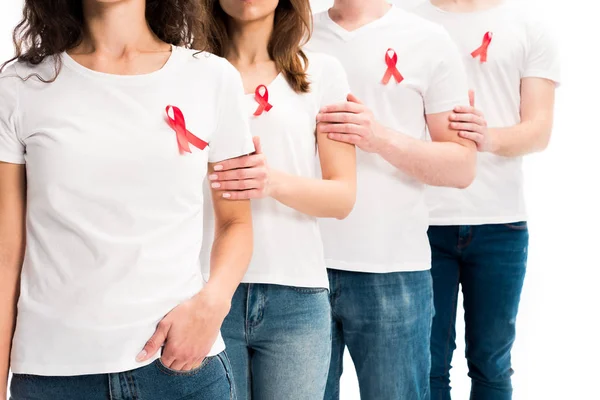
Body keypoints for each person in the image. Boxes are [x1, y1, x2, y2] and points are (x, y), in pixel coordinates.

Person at [0, 0, 255, 399]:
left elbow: (235, 223)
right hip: (54, 376)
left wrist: (213, 304)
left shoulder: (211, 78)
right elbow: (6, 252)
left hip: (181, 368)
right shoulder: (20, 85)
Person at [305, 0, 482, 398]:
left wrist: (377, 137)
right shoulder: (295, 36)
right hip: (299, 270)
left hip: (393, 270)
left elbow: (461, 167)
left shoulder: (428, 40)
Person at [195, 1, 357, 399]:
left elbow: (342, 197)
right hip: (205, 289)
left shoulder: (321, 72)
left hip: (296, 297)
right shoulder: (189, 73)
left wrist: (270, 182)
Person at [409, 1, 560, 399]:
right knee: (428, 364)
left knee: (492, 364)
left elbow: (540, 129)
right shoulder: (405, 20)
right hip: (421, 221)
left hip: (501, 222)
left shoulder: (528, 26)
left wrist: (485, 137)